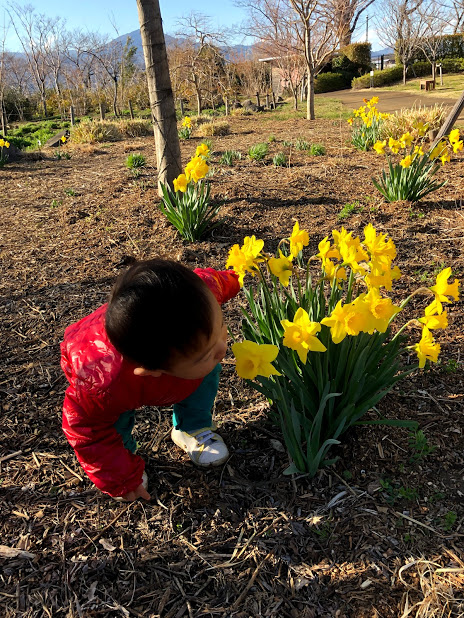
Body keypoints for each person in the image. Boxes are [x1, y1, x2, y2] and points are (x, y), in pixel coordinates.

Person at [60, 259, 240, 501]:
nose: (222, 347)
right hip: (102, 365)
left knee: (203, 376)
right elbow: (89, 432)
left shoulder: (198, 297)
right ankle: (125, 455)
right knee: (115, 420)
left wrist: (236, 275)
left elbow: (214, 281)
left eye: (222, 326)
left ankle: (192, 428)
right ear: (152, 371)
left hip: (158, 346)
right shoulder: (104, 384)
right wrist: (120, 477)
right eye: (206, 353)